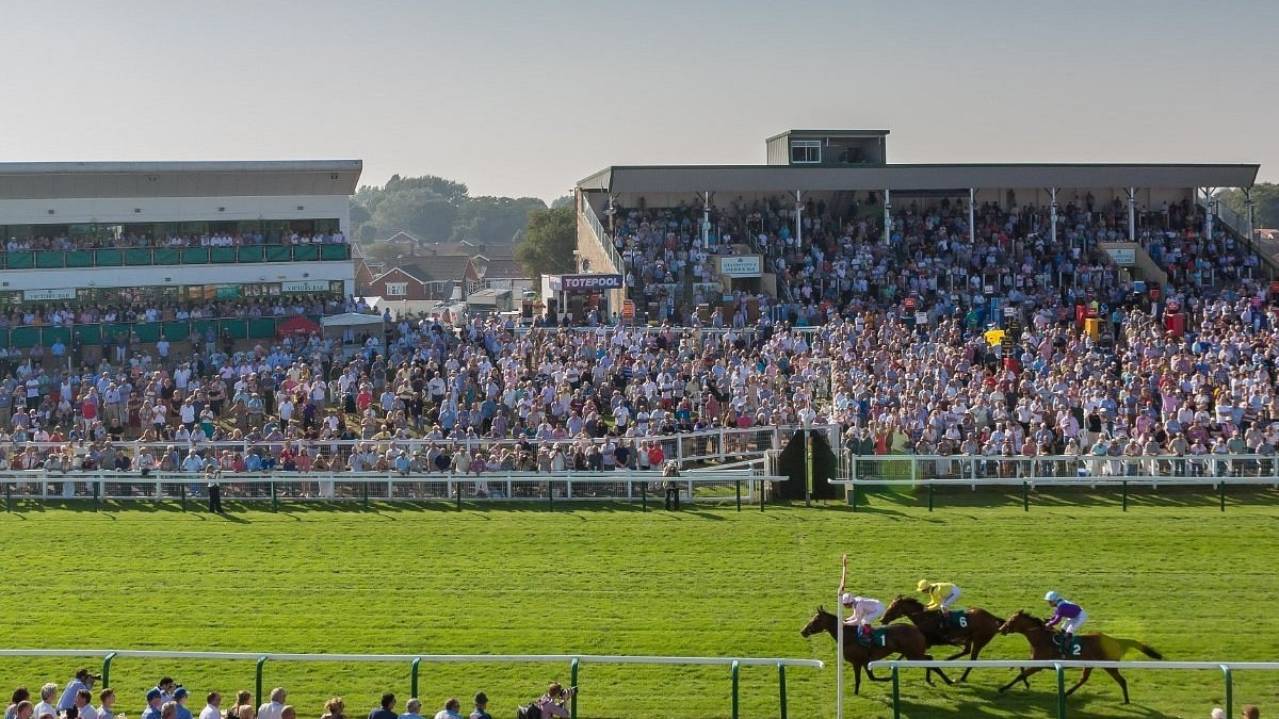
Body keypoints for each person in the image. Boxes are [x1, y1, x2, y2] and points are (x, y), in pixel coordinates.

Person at [837, 554, 883, 643]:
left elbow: (857, 621)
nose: (845, 607)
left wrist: (845, 623)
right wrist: (846, 620)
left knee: (864, 620)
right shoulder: (855, 602)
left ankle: (868, 637)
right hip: (875, 606)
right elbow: (854, 616)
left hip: (879, 608)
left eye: (846, 605)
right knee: (864, 620)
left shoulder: (858, 605)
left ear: (849, 603)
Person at [1043, 591, 1087, 656]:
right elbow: (1056, 615)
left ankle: (1066, 651)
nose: (1049, 603)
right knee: (1063, 629)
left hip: (1080, 616)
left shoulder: (1061, 607)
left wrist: (1049, 624)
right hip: (1073, 616)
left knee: (1068, 633)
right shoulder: (1059, 604)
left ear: (1055, 600)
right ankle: (1062, 644)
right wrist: (1050, 620)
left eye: (1050, 601)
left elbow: (1057, 620)